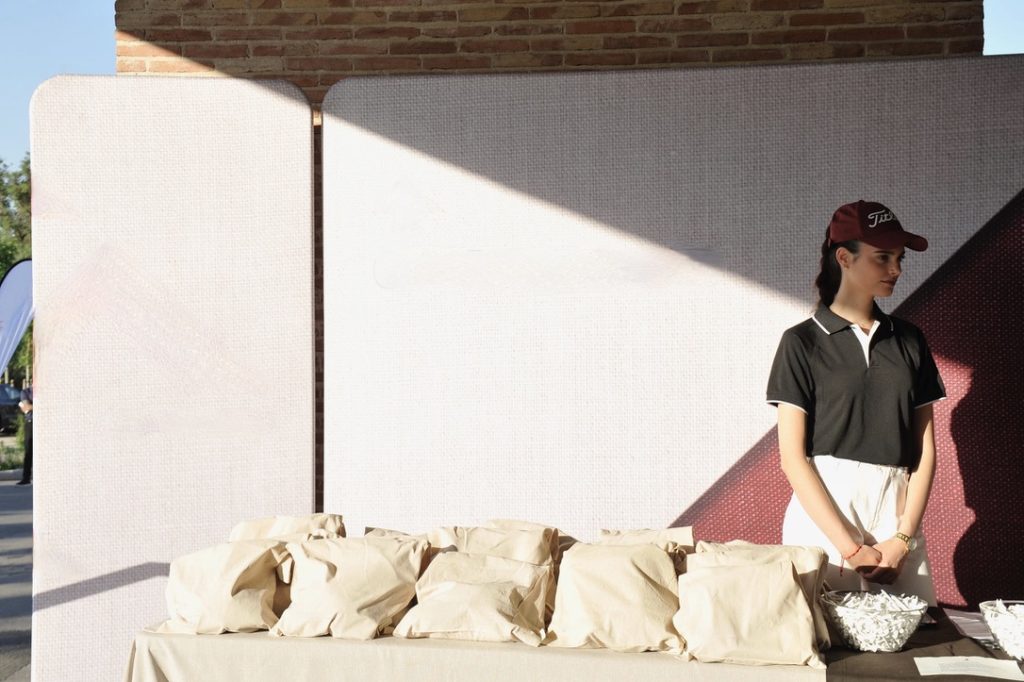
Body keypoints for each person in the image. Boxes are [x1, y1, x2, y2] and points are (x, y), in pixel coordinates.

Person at [766, 200, 944, 605]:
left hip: (897, 515)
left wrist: (903, 537)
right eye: (883, 257)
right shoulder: (801, 342)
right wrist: (849, 547)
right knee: (825, 652)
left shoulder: (910, 340)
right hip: (825, 515)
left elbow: (925, 451)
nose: (896, 269)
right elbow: (793, 458)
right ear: (844, 257)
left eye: (899, 258)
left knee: (912, 649)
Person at [16, 386, 31, 486]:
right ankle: (26, 478)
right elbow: (26, 407)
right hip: (31, 422)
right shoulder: (26, 392)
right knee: (28, 451)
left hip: (45, 423)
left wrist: (32, 406)